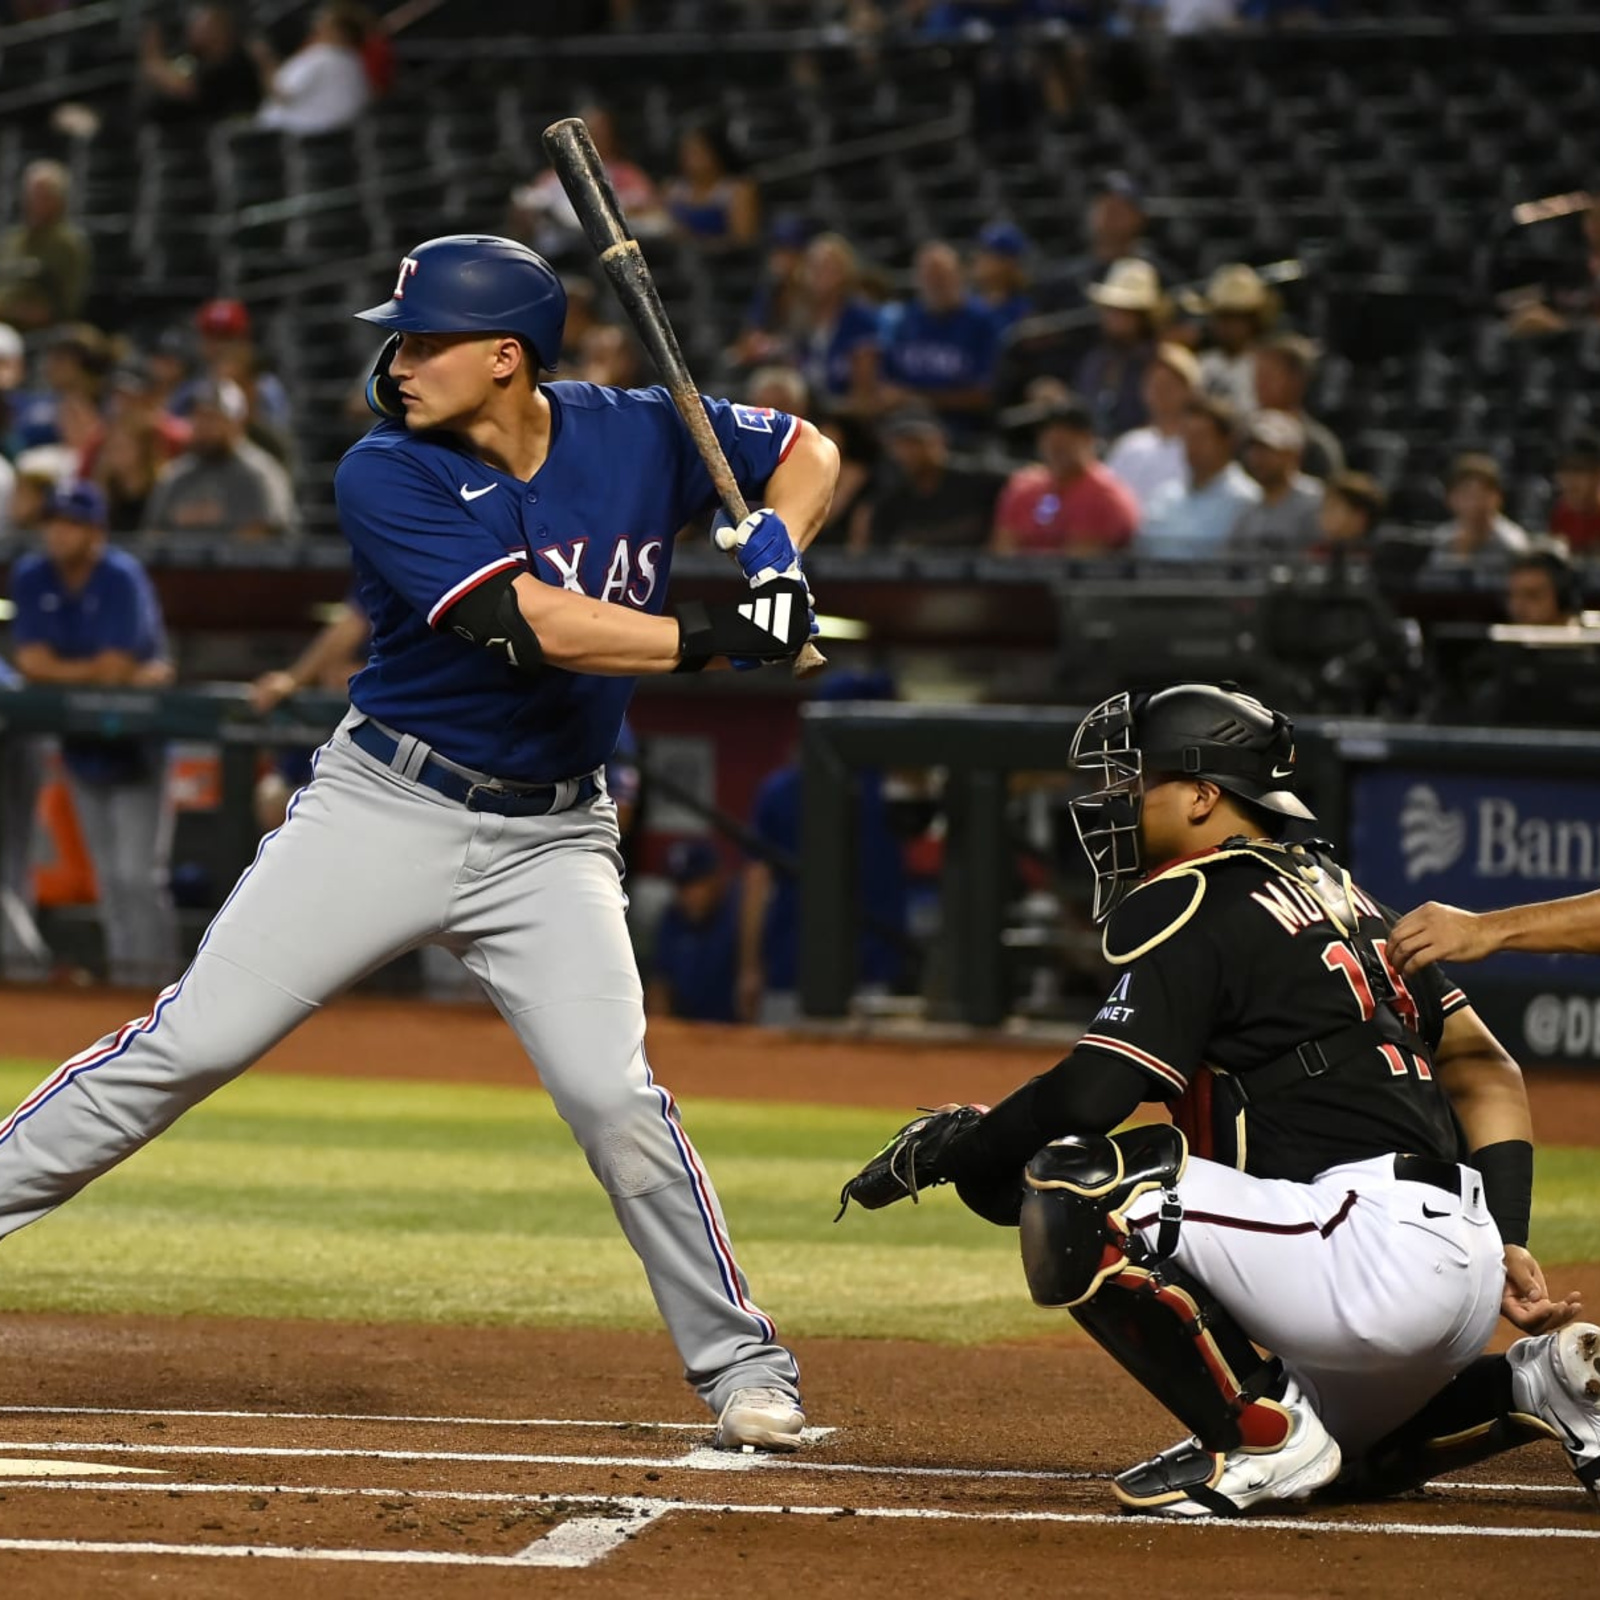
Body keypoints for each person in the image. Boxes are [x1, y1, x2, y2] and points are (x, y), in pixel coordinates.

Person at [0, 235, 829, 1449]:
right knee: (189, 1045)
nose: (399, 360)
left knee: (613, 1096)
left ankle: (745, 1366)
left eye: (426, 339)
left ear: (507, 357)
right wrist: (724, 636)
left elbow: (808, 450)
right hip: (386, 804)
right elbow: (527, 621)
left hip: (553, 836)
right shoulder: (384, 470)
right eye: (398, 336)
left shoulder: (641, 427)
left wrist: (778, 547)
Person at [841, 682, 1596, 1515]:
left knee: (1075, 1183)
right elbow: (1488, 1069)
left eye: (1140, 783)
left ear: (1205, 796)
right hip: (1459, 1271)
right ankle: (1542, 1383)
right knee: (1344, 1456)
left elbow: (1092, 1094)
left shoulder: (1202, 893)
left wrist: (968, 1147)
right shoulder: (1350, 901)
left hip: (1364, 1259)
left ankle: (1257, 1439)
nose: (1119, 803)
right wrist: (1510, 1238)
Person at [7, 483, 179, 988]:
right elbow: (33, 662)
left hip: (139, 746)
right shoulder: (32, 574)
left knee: (138, 877)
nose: (58, 532)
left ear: (96, 532)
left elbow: (117, 665)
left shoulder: (121, 576)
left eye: (71, 523)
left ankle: (159, 985)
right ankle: (128, 985)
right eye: (53, 522)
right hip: (81, 747)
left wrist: (64, 672)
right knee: (109, 880)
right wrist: (96, 673)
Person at [741, 671, 907, 1026]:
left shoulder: (780, 788)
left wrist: (750, 969)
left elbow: (757, 885)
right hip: (834, 969)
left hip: (824, 967)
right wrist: (752, 968)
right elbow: (758, 880)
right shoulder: (889, 788)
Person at [142, 378, 299, 542]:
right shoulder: (176, 476)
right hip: (182, 567)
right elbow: (154, 534)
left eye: (213, 417)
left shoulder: (261, 474)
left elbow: (271, 532)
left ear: (238, 422)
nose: (204, 426)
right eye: (199, 416)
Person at [992, 396, 1139, 555]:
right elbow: (1003, 550)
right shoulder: (1023, 487)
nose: (1056, 446)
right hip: (1019, 579)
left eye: (1065, 439)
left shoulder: (1104, 494)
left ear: (1088, 439)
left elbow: (1081, 562)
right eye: (1049, 437)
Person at [878, 241, 1001, 428]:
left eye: (942, 276)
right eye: (929, 277)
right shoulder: (906, 320)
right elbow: (886, 382)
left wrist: (925, 400)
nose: (936, 284)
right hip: (907, 426)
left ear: (960, 276)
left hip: (964, 429)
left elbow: (986, 394)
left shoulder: (982, 322)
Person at [858, 407, 1005, 552]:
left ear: (940, 440)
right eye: (900, 445)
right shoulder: (891, 499)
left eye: (916, 443)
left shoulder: (981, 480)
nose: (909, 452)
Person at [1139, 395, 1261, 558]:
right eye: (1187, 437)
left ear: (1227, 442)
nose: (1192, 445)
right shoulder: (1163, 496)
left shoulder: (1248, 501)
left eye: (1201, 436)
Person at [647, 838, 741, 1022]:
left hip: (739, 1032)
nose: (686, 895)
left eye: (694, 884)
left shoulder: (739, 916)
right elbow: (660, 983)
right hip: (690, 1033)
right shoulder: (673, 919)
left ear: (717, 878)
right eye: (680, 886)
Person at [1104, 341, 1199, 517]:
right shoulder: (1129, 445)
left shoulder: (1199, 448)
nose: (1160, 392)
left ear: (1189, 391)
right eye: (1153, 384)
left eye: (1169, 385)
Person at [791, 232, 881, 415]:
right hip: (810, 410)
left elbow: (864, 395)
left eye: (827, 268)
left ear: (845, 272)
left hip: (847, 414)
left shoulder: (859, 317)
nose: (818, 275)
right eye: (814, 267)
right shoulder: (800, 316)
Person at [251, 4, 371, 137]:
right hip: (340, 135)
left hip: (294, 137)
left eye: (324, 25)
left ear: (341, 32)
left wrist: (265, 61)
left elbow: (283, 96)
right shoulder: (354, 59)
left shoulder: (321, 57)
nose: (317, 28)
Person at [1077, 258, 1164, 440]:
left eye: (1124, 312)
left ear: (1143, 318)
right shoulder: (1095, 360)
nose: (1114, 319)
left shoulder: (1159, 365)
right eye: (1110, 310)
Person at [0, 161, 92, 332]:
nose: (34, 201)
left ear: (60, 200)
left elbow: (63, 308)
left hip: (43, 334)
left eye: (43, 195)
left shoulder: (69, 244)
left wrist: (10, 311)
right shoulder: (12, 239)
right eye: (31, 194)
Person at [138, 3, 262, 124]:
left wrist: (152, 57)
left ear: (218, 29)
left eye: (199, 26)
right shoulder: (197, 58)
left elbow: (184, 88)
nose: (191, 31)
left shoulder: (231, 63)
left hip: (220, 132)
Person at [1230, 409, 1323, 554]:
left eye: (1267, 451)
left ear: (1292, 454)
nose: (1257, 458)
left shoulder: (1314, 502)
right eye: (1253, 450)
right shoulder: (1248, 507)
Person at [1252, 334, 1344, 480]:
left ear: (1297, 381)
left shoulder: (1316, 447)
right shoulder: (1241, 435)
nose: (1260, 384)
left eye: (1269, 376)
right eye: (1258, 376)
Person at [1190, 262, 1278, 414]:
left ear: (1254, 321)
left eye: (1235, 318)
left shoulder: (1266, 367)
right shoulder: (1201, 365)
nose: (1227, 326)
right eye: (1221, 318)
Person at [664, 121, 760, 251]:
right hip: (683, 259)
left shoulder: (738, 190)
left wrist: (694, 238)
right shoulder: (672, 189)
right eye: (686, 153)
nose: (690, 160)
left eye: (697, 152)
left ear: (716, 152)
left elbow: (743, 240)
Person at [1426, 453, 1529, 566]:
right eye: (1465, 495)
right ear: (1450, 499)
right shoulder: (1441, 538)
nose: (1473, 503)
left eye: (1481, 494)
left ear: (1498, 497)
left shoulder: (1513, 543)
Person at [970, 221, 1034, 335]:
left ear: (1009, 264)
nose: (979, 258)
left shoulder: (1019, 311)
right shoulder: (969, 302)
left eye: (990, 254)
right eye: (981, 252)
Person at [1549, 433, 1600, 550]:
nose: (1570, 481)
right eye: (1564, 471)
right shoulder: (1561, 513)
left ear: (1598, 473)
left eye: (1579, 470)